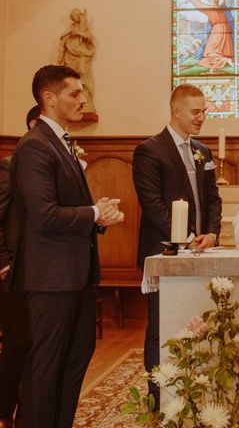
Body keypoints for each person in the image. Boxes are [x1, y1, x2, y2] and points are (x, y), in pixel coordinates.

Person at [10, 65, 123, 427]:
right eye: (74, 93)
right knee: (47, 364)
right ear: (49, 98)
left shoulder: (62, 142)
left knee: (76, 357)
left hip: (75, 273)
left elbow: (67, 207)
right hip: (49, 278)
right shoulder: (34, 147)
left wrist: (99, 218)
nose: (82, 99)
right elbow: (44, 216)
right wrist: (93, 212)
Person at [132, 83, 222, 407]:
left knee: (194, 323)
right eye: (196, 111)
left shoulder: (203, 151)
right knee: (160, 325)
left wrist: (211, 235)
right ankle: (158, 396)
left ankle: (192, 389)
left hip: (200, 250)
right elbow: (153, 205)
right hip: (164, 252)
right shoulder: (149, 150)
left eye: (204, 111)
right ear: (176, 110)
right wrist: (183, 240)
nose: (202, 117)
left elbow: (213, 199)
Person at [0, 106, 40, 428]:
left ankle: (30, 413)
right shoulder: (8, 167)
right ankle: (4, 411)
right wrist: (3, 263)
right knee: (17, 343)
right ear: (33, 124)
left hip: (42, 272)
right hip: (13, 273)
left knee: (37, 346)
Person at [58, 8, 96, 112]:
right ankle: (74, 102)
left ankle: (86, 101)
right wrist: (60, 58)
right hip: (70, 55)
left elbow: (90, 38)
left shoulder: (84, 27)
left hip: (81, 55)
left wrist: (78, 33)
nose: (74, 17)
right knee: (71, 80)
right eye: (73, 16)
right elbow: (63, 40)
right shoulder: (71, 28)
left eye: (76, 15)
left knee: (82, 75)